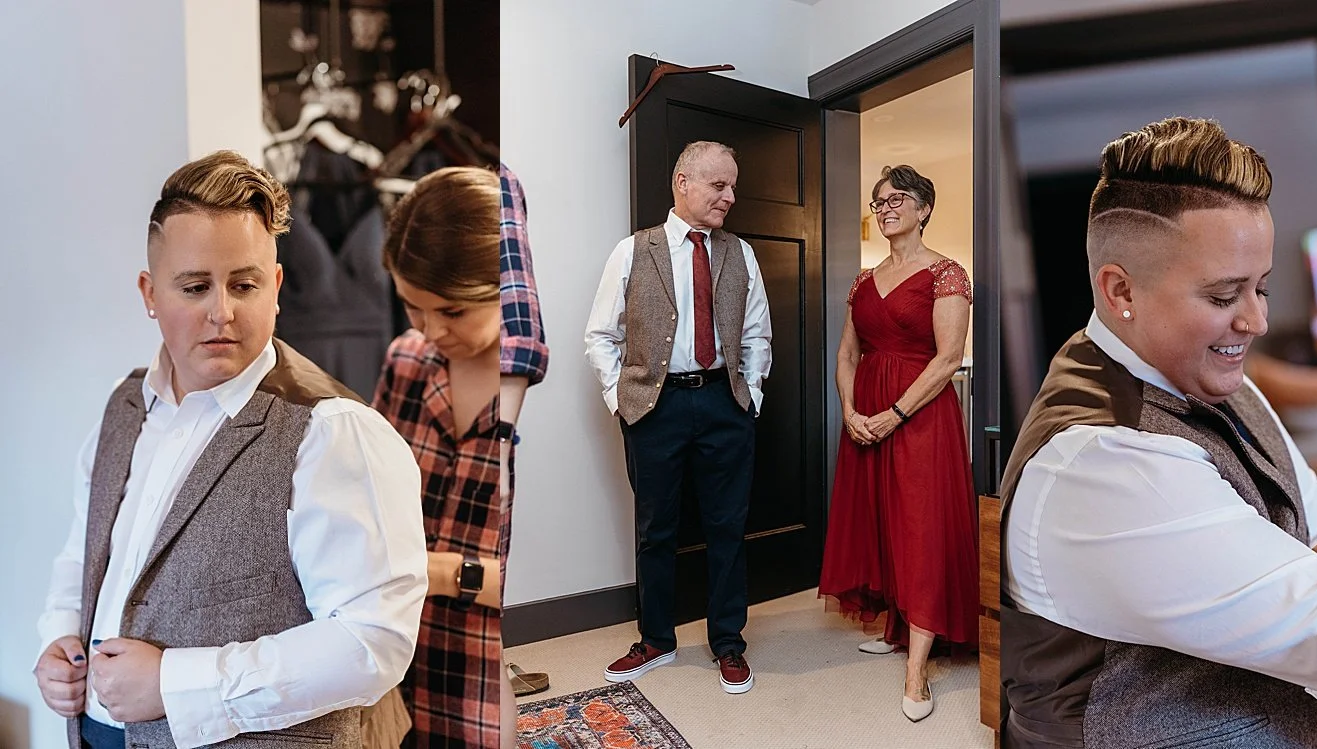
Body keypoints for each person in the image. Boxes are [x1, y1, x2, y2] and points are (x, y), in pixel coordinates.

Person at [998, 116, 1317, 747]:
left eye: (1261, 287)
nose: (1257, 320)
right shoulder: (1103, 462)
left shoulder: (1219, 381)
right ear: (1120, 288)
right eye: (1223, 295)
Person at [32, 150, 427, 749]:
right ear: (149, 292)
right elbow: (82, 558)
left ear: (275, 287)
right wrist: (59, 637)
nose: (222, 312)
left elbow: (372, 641)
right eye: (194, 287)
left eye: (244, 284)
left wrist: (176, 683)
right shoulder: (123, 407)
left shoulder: (334, 432)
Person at [584, 140, 772, 694]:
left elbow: (758, 332)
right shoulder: (631, 251)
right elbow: (600, 336)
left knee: (727, 528)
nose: (730, 197)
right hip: (654, 407)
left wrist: (751, 394)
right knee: (654, 528)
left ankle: (729, 643)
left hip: (724, 403)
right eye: (719, 186)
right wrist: (621, 400)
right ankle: (656, 639)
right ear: (682, 183)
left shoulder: (741, 253)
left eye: (732, 186)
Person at [372, 164, 549, 749]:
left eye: (450, 311)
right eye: (411, 307)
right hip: (388, 662)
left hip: (473, 676)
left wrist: (444, 573)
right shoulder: (405, 362)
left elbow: (515, 577)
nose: (428, 329)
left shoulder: (513, 390)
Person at [818, 165, 979, 722]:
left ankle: (917, 671)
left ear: (924, 209)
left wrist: (893, 414)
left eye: (897, 199)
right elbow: (846, 353)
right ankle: (896, 628)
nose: (885, 207)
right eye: (878, 201)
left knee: (921, 530)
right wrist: (850, 411)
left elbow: (949, 358)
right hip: (866, 414)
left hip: (920, 416)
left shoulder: (947, 275)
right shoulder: (864, 280)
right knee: (882, 522)